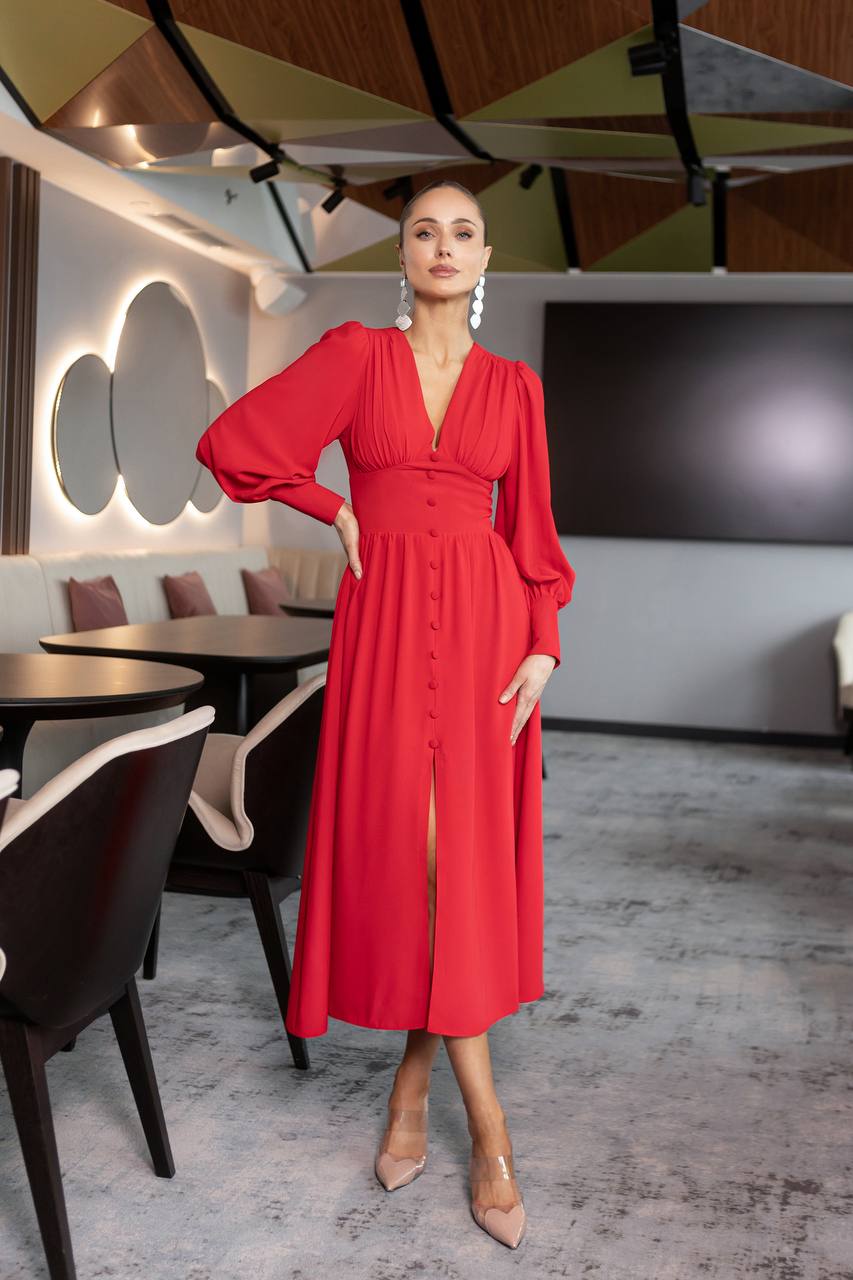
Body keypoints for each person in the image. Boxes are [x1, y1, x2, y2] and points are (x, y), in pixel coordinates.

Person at [195, 179, 576, 1250]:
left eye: (461, 232)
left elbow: (534, 531)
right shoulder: (357, 355)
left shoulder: (515, 386)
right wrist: (331, 503)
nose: (442, 247)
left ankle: (421, 1088)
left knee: (454, 866)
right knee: (417, 863)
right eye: (423, 231)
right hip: (385, 625)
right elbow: (235, 443)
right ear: (400, 253)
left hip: (491, 639)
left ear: (484, 255)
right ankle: (487, 1123)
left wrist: (545, 640)